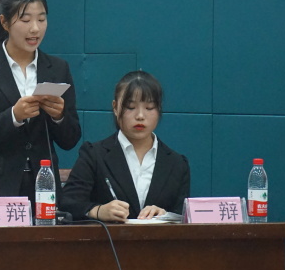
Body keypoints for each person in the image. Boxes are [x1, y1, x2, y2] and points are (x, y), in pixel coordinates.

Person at [0, 0, 81, 201]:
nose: (35, 29)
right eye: (25, 20)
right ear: (4, 22)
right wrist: (13, 116)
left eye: (41, 19)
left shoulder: (58, 69)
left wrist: (59, 117)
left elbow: (71, 139)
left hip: (44, 189)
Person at [61, 70, 190, 221]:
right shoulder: (94, 155)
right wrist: (98, 211)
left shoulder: (177, 163)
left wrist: (166, 215)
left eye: (149, 108)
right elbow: (68, 203)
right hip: (108, 236)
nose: (140, 116)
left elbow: (184, 215)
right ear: (115, 108)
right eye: (130, 107)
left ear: (159, 109)